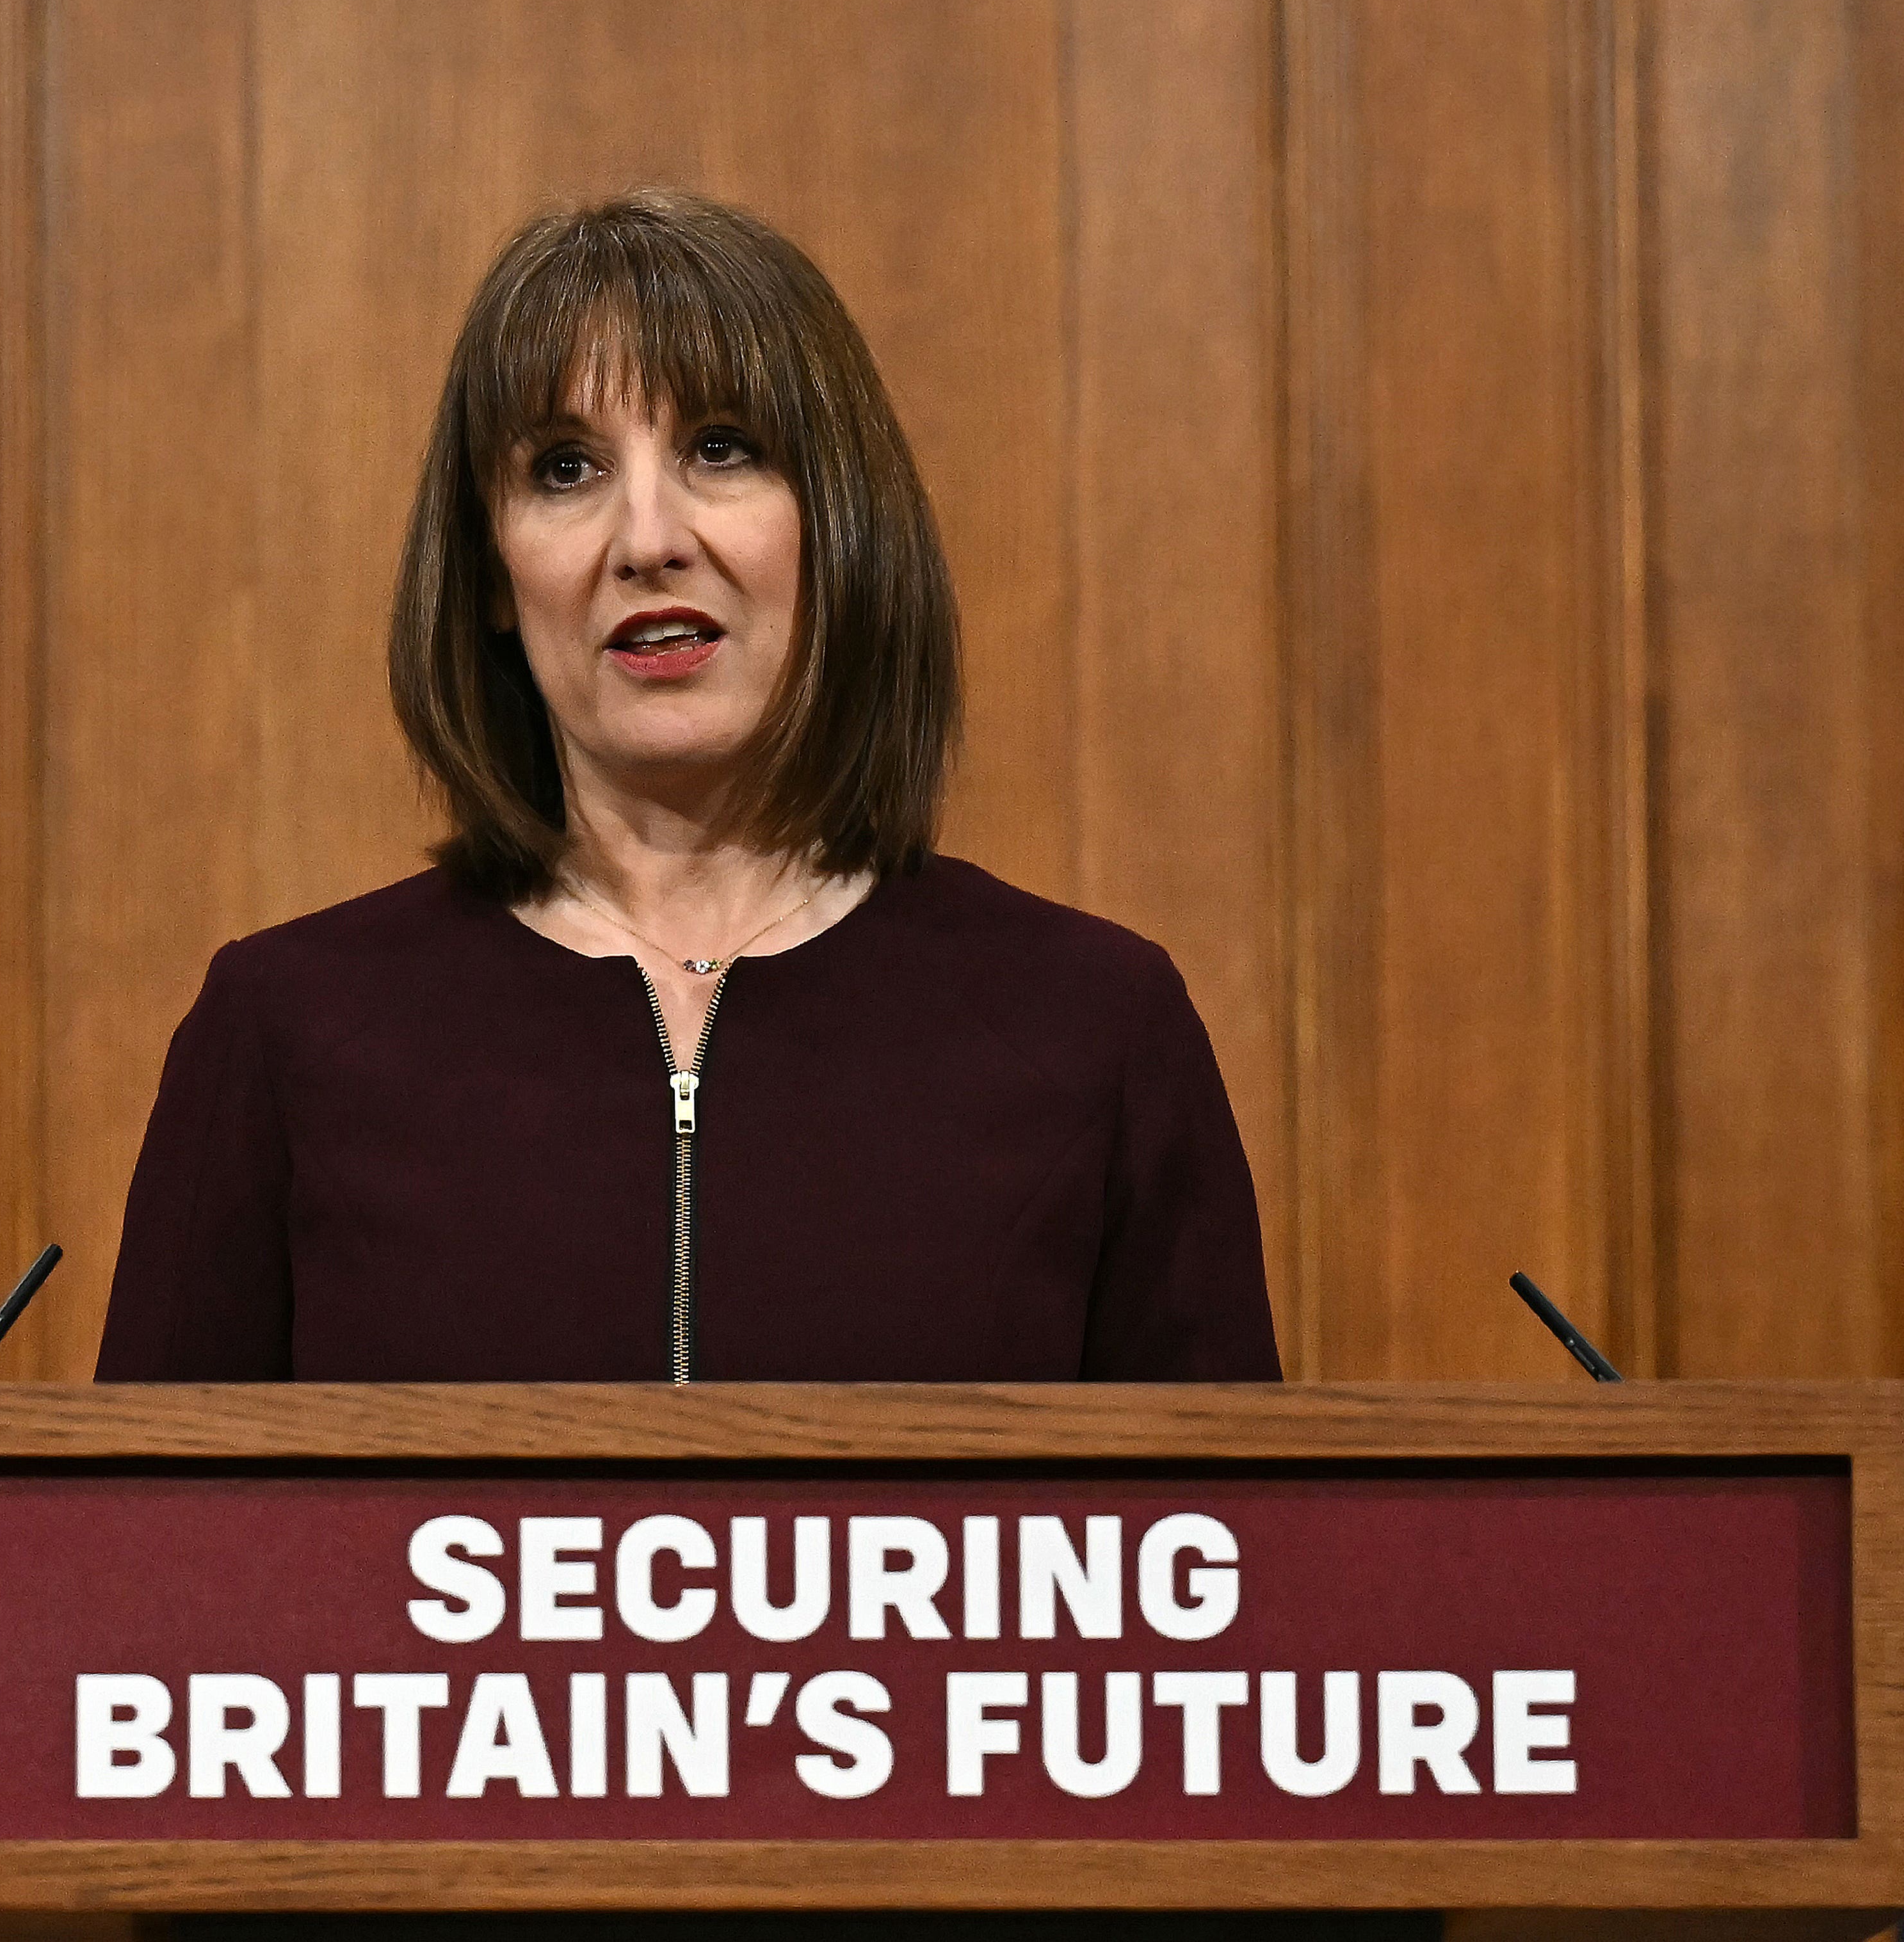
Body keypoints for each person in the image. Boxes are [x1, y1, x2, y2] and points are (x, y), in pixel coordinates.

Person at [95, 189, 1277, 1387]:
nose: (646, 536)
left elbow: (1233, 1565)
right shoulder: (287, 1031)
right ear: (494, 571)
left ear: (837, 522)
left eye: (721, 449)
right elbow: (140, 1567)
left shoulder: (1092, 1024)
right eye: (565, 469)